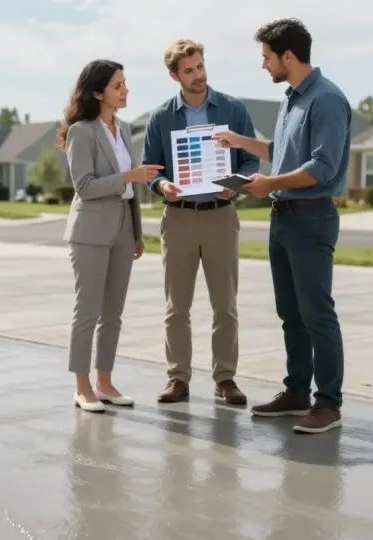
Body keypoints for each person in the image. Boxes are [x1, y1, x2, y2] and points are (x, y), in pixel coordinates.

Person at [214, 18, 349, 434]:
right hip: (284, 219)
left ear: (287, 55)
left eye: (266, 57)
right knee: (290, 313)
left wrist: (268, 183)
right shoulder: (292, 99)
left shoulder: (326, 100)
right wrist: (240, 141)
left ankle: (328, 404)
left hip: (311, 219)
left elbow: (321, 168)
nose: (264, 65)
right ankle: (296, 393)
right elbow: (281, 151)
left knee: (317, 314)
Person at [141, 39, 260, 406]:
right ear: (174, 75)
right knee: (177, 306)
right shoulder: (161, 117)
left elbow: (251, 161)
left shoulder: (233, 109)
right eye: (189, 70)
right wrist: (163, 186)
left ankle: (225, 379)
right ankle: (178, 378)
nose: (198, 76)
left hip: (221, 216)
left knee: (225, 305)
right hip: (177, 219)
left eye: (201, 67)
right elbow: (151, 170)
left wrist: (234, 188)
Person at [59, 59, 163, 413]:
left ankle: (104, 381)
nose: (125, 90)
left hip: (122, 228)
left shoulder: (124, 129)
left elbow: (131, 190)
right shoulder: (82, 132)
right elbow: (84, 187)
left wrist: (135, 232)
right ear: (98, 92)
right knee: (87, 311)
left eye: (125, 84)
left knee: (113, 313)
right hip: (89, 230)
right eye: (118, 85)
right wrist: (129, 175)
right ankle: (82, 386)